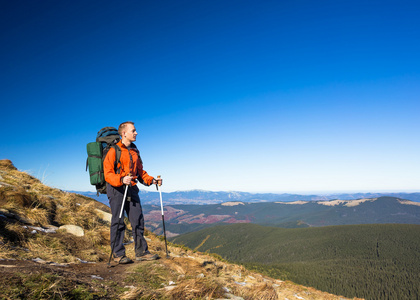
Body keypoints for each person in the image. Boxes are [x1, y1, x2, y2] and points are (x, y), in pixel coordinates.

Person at [103, 121, 162, 264]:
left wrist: (152, 180)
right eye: (133, 131)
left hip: (132, 188)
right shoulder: (113, 151)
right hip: (117, 189)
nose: (136, 133)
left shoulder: (135, 151)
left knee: (138, 220)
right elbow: (108, 174)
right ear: (124, 133)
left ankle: (141, 252)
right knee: (118, 221)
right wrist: (121, 179)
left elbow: (140, 172)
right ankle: (118, 254)